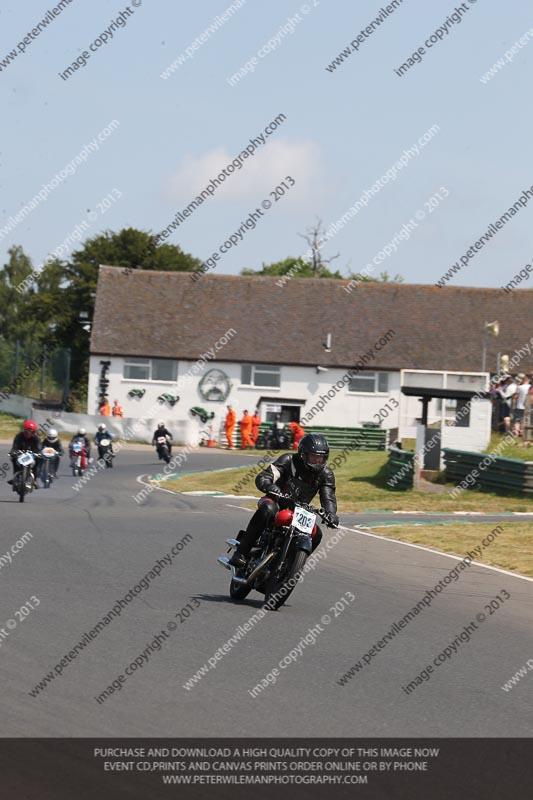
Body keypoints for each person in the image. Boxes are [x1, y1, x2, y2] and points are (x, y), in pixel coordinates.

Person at [229, 433, 339, 568]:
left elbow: (328, 496)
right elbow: (265, 475)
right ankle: (242, 552)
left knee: (317, 534)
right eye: (313, 457)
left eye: (320, 458)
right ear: (303, 454)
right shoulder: (288, 460)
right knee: (267, 510)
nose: (317, 461)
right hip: (276, 500)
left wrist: (331, 514)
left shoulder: (326, 474)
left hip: (299, 510)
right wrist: (270, 486)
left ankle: (291, 565)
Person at [8, 420, 42, 488]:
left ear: (34, 431)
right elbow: (15, 446)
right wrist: (13, 452)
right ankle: (16, 476)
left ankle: (34, 479)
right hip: (20, 454)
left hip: (32, 455)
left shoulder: (36, 438)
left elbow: (39, 448)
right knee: (13, 459)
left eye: (31, 431)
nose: (29, 433)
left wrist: (38, 454)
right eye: (27, 430)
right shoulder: (19, 436)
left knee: (38, 460)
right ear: (24, 429)